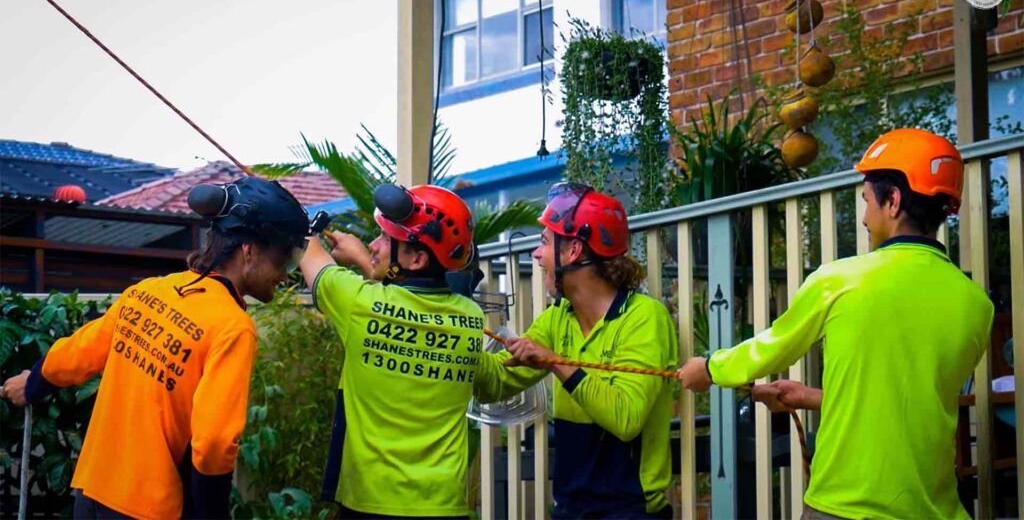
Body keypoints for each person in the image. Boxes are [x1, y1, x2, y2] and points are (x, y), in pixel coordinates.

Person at [676, 128, 994, 519]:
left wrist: (709, 368)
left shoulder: (841, 280)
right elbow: (911, 401)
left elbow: (772, 346)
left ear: (892, 200)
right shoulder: (977, 304)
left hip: (847, 506)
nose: (864, 217)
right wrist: (811, 397)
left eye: (866, 201)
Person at [1, 175, 316, 519]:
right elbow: (213, 443)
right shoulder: (232, 326)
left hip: (91, 494)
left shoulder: (150, 290)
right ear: (249, 251)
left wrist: (31, 383)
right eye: (283, 260)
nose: (286, 275)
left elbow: (81, 350)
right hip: (148, 508)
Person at [473, 183, 678, 519]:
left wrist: (556, 363)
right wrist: (449, 332)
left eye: (544, 242)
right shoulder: (557, 318)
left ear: (572, 251)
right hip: (569, 509)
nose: (536, 255)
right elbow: (494, 382)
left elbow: (625, 419)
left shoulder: (644, 317)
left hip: (629, 512)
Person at [299, 184, 485, 519]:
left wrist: (310, 229)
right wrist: (366, 261)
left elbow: (309, 254)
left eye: (386, 239)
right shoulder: (470, 318)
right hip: (443, 506)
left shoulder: (359, 305)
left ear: (417, 257)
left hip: (369, 501)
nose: (373, 244)